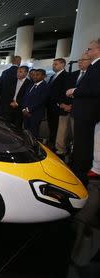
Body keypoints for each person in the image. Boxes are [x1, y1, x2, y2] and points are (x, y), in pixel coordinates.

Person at [66, 39, 100, 185]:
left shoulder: (97, 66)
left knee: (84, 144)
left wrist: (75, 91)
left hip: (87, 113)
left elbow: (95, 89)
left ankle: (80, 171)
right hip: (84, 112)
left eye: (90, 49)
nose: (87, 51)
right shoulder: (94, 66)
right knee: (81, 142)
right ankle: (79, 167)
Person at [55, 56, 90, 158]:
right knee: (61, 134)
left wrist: (73, 107)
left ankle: (75, 155)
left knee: (77, 136)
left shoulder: (91, 76)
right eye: (79, 60)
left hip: (80, 111)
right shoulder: (71, 75)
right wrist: (62, 104)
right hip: (64, 109)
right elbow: (62, 91)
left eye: (83, 60)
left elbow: (88, 95)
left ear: (90, 61)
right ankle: (60, 152)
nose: (80, 62)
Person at [46, 58, 68, 149]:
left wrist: (59, 103)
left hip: (58, 107)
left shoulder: (66, 76)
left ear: (63, 65)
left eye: (56, 64)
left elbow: (63, 92)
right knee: (51, 126)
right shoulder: (52, 76)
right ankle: (51, 143)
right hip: (50, 106)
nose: (53, 66)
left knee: (57, 128)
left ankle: (56, 146)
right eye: (53, 64)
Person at [21, 69, 49, 138]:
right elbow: (25, 97)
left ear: (43, 76)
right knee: (26, 132)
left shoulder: (45, 86)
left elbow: (40, 101)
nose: (35, 76)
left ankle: (33, 148)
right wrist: (24, 109)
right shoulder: (31, 85)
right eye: (34, 75)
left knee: (33, 133)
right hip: (25, 113)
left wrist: (29, 110)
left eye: (37, 75)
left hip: (35, 114)